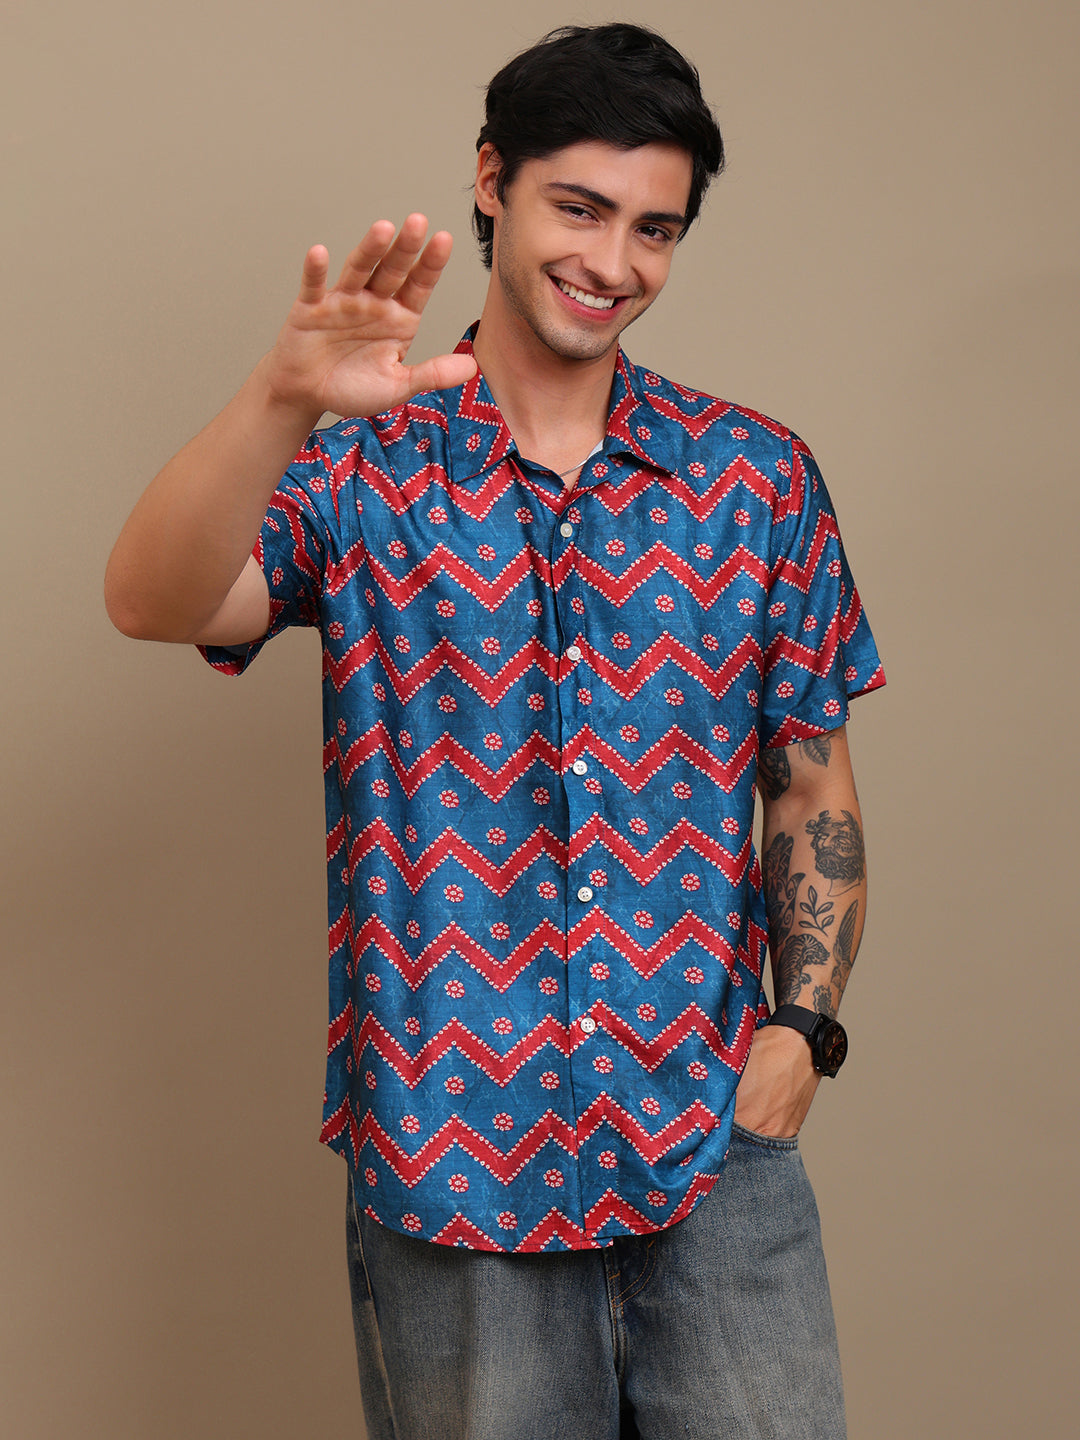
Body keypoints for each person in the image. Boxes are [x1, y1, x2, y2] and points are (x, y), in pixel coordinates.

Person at [106, 22, 883, 1440]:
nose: (613, 261)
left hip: (710, 1153)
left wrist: (801, 1037)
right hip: (452, 1166)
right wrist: (281, 399)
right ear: (491, 182)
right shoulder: (356, 465)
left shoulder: (757, 480)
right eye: (579, 207)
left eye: (655, 229)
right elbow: (153, 602)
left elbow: (813, 785)